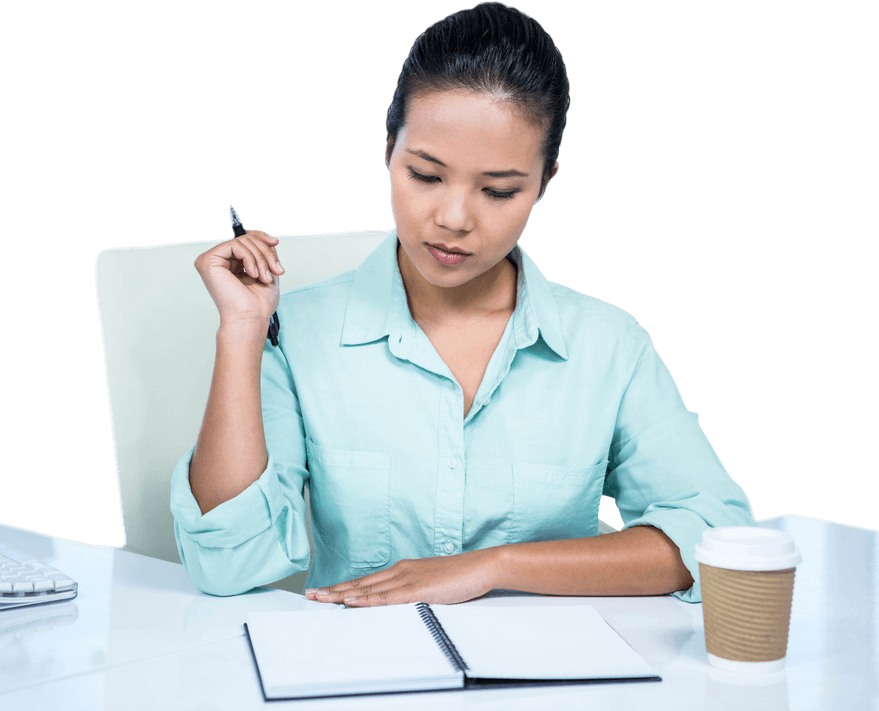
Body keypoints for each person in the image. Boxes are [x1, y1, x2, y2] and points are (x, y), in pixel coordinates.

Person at [170, 1, 755, 606]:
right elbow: (228, 563)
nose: (453, 219)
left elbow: (719, 536)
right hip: (361, 683)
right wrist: (242, 329)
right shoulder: (295, 334)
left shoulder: (608, 344)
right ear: (389, 148)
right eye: (425, 175)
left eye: (498, 190)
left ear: (545, 183)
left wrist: (492, 566)